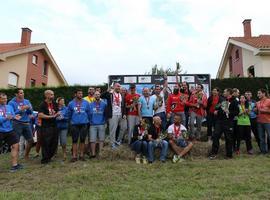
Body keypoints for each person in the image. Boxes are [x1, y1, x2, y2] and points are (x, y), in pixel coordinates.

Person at [209, 88, 239, 159]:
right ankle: (214, 153)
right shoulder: (223, 100)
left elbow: (237, 112)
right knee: (215, 136)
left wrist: (229, 112)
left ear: (229, 92)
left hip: (228, 122)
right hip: (220, 121)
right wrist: (217, 111)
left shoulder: (234, 101)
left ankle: (229, 155)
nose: (223, 93)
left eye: (225, 92)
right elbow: (218, 108)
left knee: (228, 138)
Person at [0, 92, 23, 172]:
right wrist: (6, 118)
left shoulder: (9, 107)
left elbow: (12, 116)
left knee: (15, 146)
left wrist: (15, 117)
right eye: (3, 98)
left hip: (9, 130)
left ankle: (15, 165)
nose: (5, 100)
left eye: (6, 98)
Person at [8, 88, 33, 160]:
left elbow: (30, 113)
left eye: (23, 92)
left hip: (26, 123)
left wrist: (29, 109)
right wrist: (20, 110)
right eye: (21, 93)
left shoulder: (27, 101)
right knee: (16, 142)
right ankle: (15, 158)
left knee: (30, 140)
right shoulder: (11, 103)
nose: (23, 94)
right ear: (16, 94)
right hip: (16, 123)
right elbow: (11, 114)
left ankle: (26, 155)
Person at [67, 89, 90, 162]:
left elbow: (88, 113)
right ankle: (74, 156)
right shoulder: (71, 103)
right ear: (75, 94)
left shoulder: (86, 103)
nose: (81, 95)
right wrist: (71, 121)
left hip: (84, 124)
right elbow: (69, 114)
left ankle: (81, 155)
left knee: (83, 140)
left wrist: (86, 120)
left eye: (81, 93)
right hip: (74, 124)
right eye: (79, 93)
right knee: (74, 140)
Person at [101, 83, 126, 149]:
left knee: (124, 127)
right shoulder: (110, 94)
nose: (119, 87)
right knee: (113, 130)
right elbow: (101, 96)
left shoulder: (121, 95)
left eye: (119, 86)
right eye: (117, 86)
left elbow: (123, 106)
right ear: (114, 87)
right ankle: (112, 144)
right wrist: (108, 90)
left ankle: (118, 141)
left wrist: (124, 114)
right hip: (113, 114)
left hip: (120, 114)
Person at [38, 90, 60, 164]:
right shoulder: (42, 104)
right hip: (46, 126)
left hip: (54, 125)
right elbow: (40, 115)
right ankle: (45, 159)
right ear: (46, 95)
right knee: (46, 142)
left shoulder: (55, 104)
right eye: (51, 94)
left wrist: (57, 114)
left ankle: (49, 157)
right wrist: (51, 116)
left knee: (54, 142)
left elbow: (57, 112)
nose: (53, 96)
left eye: (53, 94)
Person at [89, 91, 107, 158]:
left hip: (101, 124)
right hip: (92, 124)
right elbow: (88, 114)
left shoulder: (104, 104)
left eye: (98, 94)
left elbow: (105, 114)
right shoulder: (90, 104)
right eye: (96, 94)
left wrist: (105, 122)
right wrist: (90, 121)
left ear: (100, 95)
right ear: (94, 96)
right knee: (92, 140)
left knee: (101, 139)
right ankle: (93, 154)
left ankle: (100, 153)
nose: (97, 95)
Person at [256, 89, 270, 154]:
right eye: (258, 93)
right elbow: (257, 111)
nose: (258, 95)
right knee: (261, 138)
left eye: (259, 93)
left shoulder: (269, 101)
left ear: (264, 93)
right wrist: (254, 110)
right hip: (259, 122)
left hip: (268, 122)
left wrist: (265, 111)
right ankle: (263, 151)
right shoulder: (257, 102)